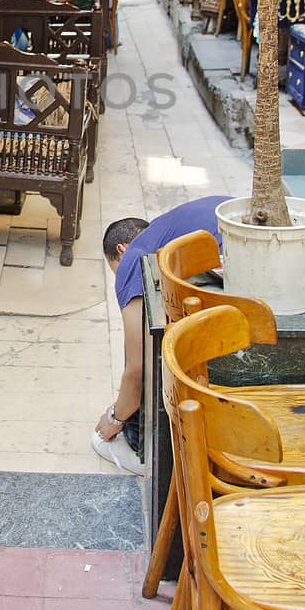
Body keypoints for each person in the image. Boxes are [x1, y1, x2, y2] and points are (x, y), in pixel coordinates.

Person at [96, 198, 231, 474]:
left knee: (143, 337)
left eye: (115, 270)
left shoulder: (134, 255)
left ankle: (139, 447)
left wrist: (115, 417)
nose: (121, 278)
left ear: (120, 250)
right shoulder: (175, 226)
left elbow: (137, 367)